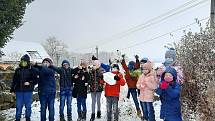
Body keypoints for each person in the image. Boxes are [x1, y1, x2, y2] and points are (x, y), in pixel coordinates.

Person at [10, 54, 38, 121]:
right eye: (22, 61)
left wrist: (30, 83)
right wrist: (12, 90)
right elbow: (14, 80)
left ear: (28, 62)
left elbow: (36, 80)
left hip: (28, 91)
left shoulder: (32, 70)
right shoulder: (18, 70)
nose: (23, 63)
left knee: (28, 106)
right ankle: (17, 118)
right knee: (18, 106)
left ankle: (28, 118)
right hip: (19, 91)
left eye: (25, 61)